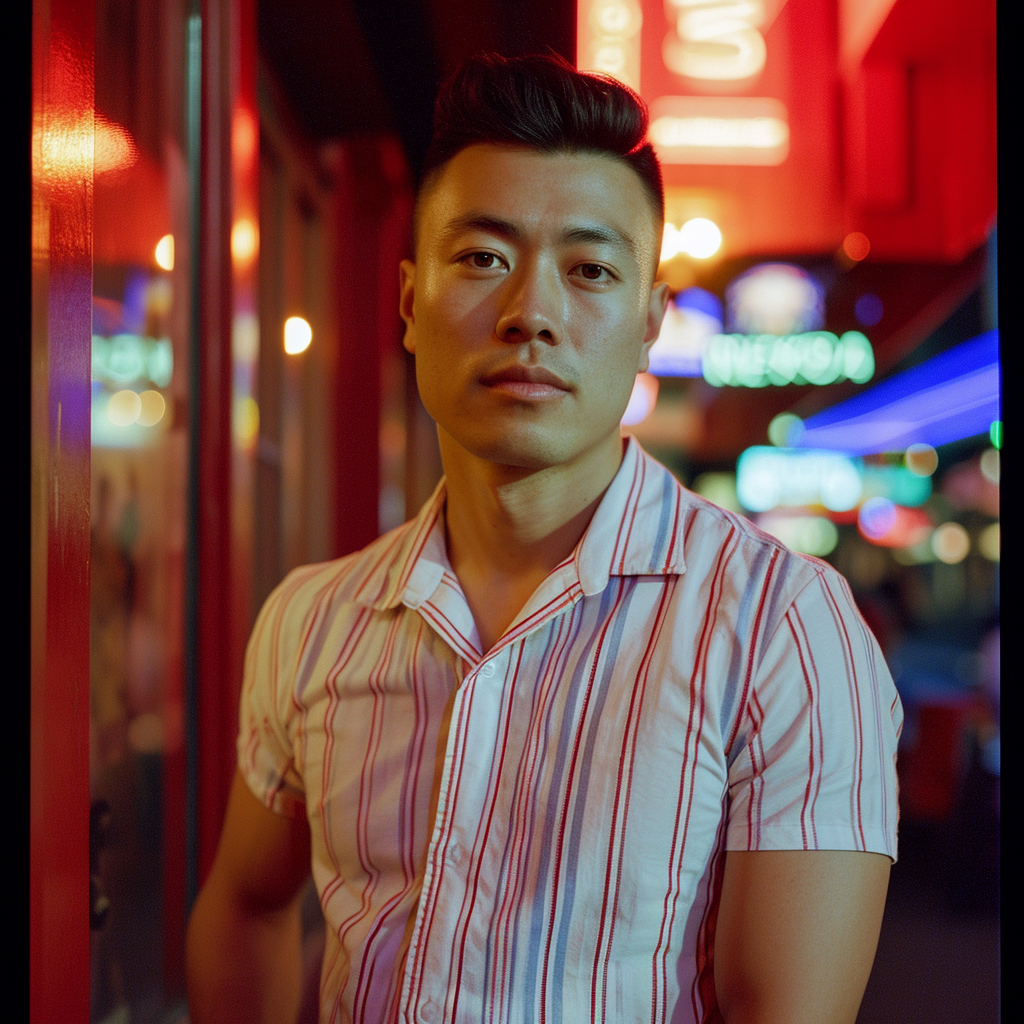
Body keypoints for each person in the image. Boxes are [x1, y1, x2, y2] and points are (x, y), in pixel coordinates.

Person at [186, 52, 902, 1024]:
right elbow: (244, 901)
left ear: (649, 319)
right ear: (407, 301)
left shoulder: (783, 628)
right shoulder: (312, 620)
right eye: (482, 258)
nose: (531, 313)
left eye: (590, 270)